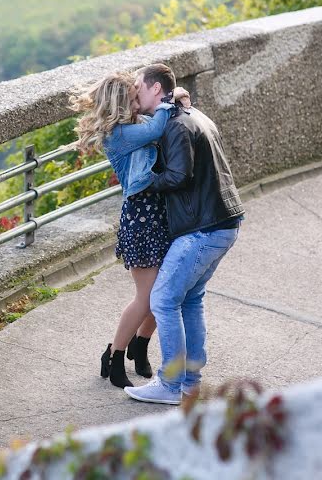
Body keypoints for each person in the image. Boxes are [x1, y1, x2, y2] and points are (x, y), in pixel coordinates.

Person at [123, 63, 245, 406]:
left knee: (162, 300)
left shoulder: (175, 126)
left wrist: (144, 185)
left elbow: (179, 176)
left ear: (156, 90)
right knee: (190, 301)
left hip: (202, 228)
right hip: (224, 222)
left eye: (138, 86)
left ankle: (170, 384)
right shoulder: (192, 114)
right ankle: (190, 385)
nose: (134, 92)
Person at [70, 71, 176, 388]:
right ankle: (115, 356)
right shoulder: (119, 134)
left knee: (166, 292)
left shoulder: (134, 127)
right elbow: (159, 126)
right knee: (147, 297)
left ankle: (139, 346)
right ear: (120, 103)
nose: (138, 102)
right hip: (141, 216)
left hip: (156, 212)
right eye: (133, 98)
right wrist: (170, 101)